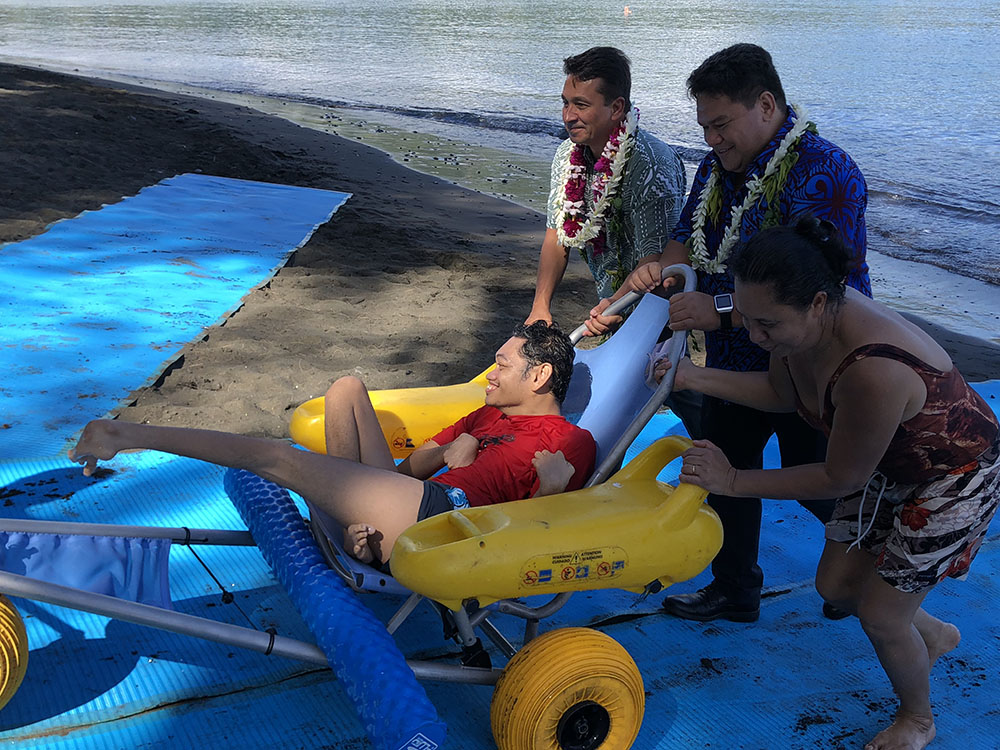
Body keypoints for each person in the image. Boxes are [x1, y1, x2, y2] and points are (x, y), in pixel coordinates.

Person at [656, 216, 999, 750]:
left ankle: (917, 719)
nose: (754, 335)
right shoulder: (794, 329)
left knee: (883, 620)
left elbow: (839, 475)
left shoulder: (871, 369)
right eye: (746, 318)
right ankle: (932, 635)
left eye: (766, 324)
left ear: (818, 303)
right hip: (889, 461)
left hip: (953, 475)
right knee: (836, 586)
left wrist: (733, 480)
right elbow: (779, 394)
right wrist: (688, 377)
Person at [600, 43, 872, 622]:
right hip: (735, 356)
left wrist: (719, 310)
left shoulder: (826, 171)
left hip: (809, 357)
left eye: (721, 124)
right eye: (704, 126)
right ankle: (735, 590)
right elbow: (684, 236)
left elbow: (811, 288)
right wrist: (657, 276)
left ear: (766, 104)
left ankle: (865, 574)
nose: (712, 139)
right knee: (721, 467)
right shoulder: (718, 168)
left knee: (821, 479)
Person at [69, 322, 597, 566]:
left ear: (540, 376)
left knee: (277, 459)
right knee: (346, 388)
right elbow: (409, 468)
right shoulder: (485, 413)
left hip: (446, 526)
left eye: (500, 367)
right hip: (409, 495)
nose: (488, 376)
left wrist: (551, 492)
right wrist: (454, 448)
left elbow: (540, 546)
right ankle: (355, 532)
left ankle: (127, 435)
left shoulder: (569, 443)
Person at [526, 46, 686, 337]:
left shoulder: (652, 163)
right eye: (565, 103)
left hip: (658, 307)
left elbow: (656, 260)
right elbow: (556, 236)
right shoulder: (566, 156)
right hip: (608, 298)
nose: (568, 116)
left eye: (581, 105)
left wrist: (613, 305)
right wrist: (540, 307)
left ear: (616, 108)